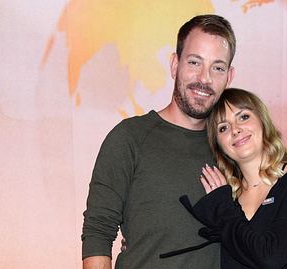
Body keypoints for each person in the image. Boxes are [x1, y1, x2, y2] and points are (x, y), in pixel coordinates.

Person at [81, 14, 236, 269]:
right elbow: (98, 231)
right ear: (174, 65)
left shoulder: (233, 147)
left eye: (217, 67)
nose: (205, 78)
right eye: (194, 62)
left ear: (229, 77)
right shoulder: (130, 137)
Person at [180, 88, 287, 268]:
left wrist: (222, 210)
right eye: (223, 128)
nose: (235, 130)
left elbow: (271, 256)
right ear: (218, 145)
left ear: (262, 121)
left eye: (243, 117)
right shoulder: (229, 200)